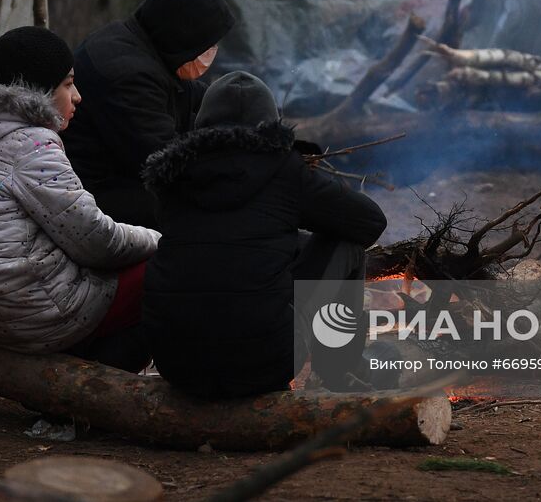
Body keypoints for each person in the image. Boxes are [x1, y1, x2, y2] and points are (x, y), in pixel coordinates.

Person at [139, 71, 388, 399]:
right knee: (347, 245)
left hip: (176, 362)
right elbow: (369, 222)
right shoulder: (284, 169)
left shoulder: (170, 176)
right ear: (271, 122)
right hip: (265, 363)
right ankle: (336, 372)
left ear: (201, 121)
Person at [0, 26, 159, 371]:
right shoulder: (32, 146)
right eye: (67, 84)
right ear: (39, 90)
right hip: (29, 313)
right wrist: (158, 240)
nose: (77, 96)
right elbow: (95, 242)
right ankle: (89, 401)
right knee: (166, 271)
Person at [63, 0, 236, 229]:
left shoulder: (141, 46)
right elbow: (169, 161)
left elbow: (195, 99)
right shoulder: (126, 73)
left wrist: (246, 104)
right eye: (206, 44)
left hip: (121, 182)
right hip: (97, 201)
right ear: (183, 32)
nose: (210, 52)